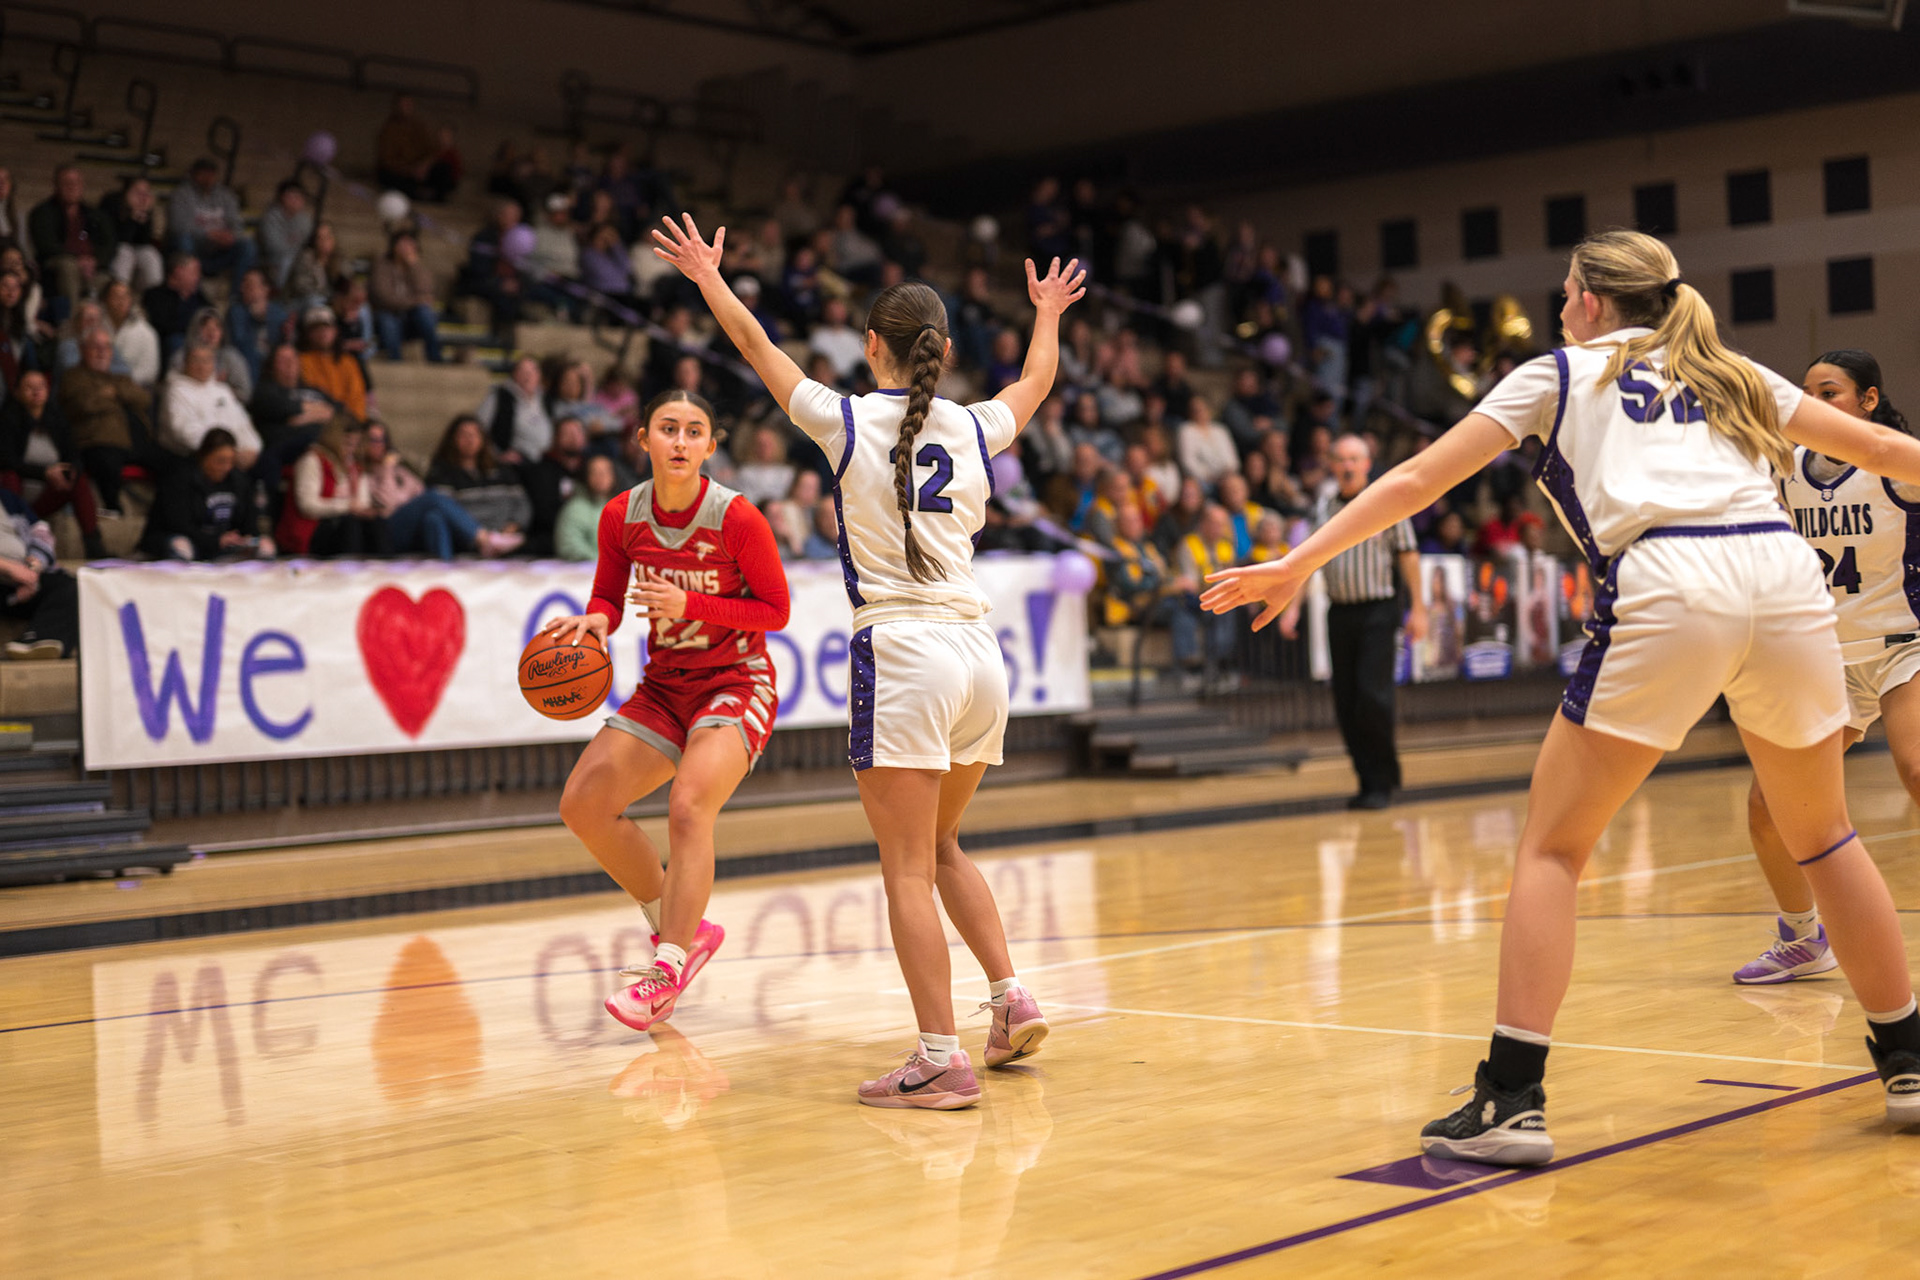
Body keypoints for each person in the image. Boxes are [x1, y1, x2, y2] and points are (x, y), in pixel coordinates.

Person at [1203, 229, 1920, 1163]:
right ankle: (1908, 1058)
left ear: (1589, 299)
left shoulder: (1557, 372)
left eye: (1566, 287)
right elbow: (1883, 447)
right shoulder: (1729, 367)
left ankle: (1511, 1099)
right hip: (1784, 578)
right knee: (1823, 836)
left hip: (1671, 575)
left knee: (1552, 847)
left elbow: (1418, 479)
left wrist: (1299, 561)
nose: (1559, 302)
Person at [652, 212, 1082, 1109]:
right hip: (979, 655)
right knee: (942, 844)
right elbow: (1037, 380)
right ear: (945, 351)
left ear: (870, 347)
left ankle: (941, 1058)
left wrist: (707, 277)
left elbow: (754, 344)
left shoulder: (843, 418)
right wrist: (1047, 313)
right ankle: (1010, 1000)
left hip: (904, 651)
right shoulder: (975, 426)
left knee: (907, 869)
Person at [547, 388, 791, 1032]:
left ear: (710, 446)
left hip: (736, 682)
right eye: (668, 428)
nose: (680, 441)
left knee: (687, 807)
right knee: (582, 805)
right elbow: (607, 595)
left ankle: (666, 969)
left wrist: (692, 605)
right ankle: (682, 926)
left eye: (693, 431)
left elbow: (776, 611)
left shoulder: (736, 517)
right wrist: (596, 623)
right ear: (644, 439)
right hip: (664, 686)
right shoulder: (621, 515)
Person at [1737, 350, 1920, 985]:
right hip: (1828, 657)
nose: (1814, 404)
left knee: (1917, 769)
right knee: (1768, 805)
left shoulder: (1896, 459)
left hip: (1904, 646)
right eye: (1808, 393)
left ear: (1868, 400)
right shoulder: (1785, 467)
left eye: (1830, 392)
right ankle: (1803, 939)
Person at [1275, 433, 1425, 809]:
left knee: (1373, 696)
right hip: (1339, 612)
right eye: (1340, 459)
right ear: (1331, 465)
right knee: (1346, 702)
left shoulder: (1387, 500)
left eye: (1354, 459)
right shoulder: (1324, 507)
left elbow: (1408, 555)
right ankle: (1365, 779)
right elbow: (1307, 561)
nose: (1347, 466)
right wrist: (1292, 608)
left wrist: (1419, 608)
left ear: (1366, 464)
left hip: (1378, 611)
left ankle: (1383, 778)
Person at [363, 419, 517, 559]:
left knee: (434, 517)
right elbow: (388, 503)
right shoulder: (365, 473)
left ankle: (445, 569)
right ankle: (483, 539)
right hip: (387, 528)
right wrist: (387, 469)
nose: (379, 444)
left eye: (383, 439)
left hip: (414, 526)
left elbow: (419, 493)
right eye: (373, 440)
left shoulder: (401, 470)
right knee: (433, 497)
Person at [0, 369, 103, 558]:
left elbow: (74, 454)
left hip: (47, 493)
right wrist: (45, 473)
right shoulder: (8, 419)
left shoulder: (57, 418)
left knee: (79, 480)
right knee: (9, 477)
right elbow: (7, 461)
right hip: (16, 497)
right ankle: (17, 542)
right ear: (17, 392)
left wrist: (69, 471)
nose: (36, 392)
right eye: (29, 387)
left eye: (41, 386)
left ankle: (94, 547)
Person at [60, 327, 157, 513]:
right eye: (95, 347)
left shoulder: (119, 379)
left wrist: (114, 392)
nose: (102, 352)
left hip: (134, 441)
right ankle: (114, 510)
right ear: (82, 349)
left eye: (106, 347)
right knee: (107, 460)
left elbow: (144, 399)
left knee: (174, 462)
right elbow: (84, 405)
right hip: (96, 441)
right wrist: (120, 399)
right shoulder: (73, 377)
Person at [138, 428, 272, 561]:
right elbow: (178, 525)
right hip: (187, 540)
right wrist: (215, 540)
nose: (226, 467)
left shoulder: (239, 481)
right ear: (204, 456)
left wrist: (246, 538)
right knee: (181, 546)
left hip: (223, 545)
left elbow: (249, 522)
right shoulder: (180, 478)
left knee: (265, 545)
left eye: (231, 461)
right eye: (220, 461)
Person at [278, 414, 381, 557]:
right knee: (349, 524)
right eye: (347, 443)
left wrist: (361, 508)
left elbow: (362, 502)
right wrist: (346, 506)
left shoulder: (354, 466)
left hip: (342, 525)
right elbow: (307, 506)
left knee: (377, 523)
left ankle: (384, 564)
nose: (351, 450)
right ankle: (349, 565)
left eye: (355, 444)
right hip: (314, 528)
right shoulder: (312, 461)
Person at [426, 413, 532, 538]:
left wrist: (512, 527)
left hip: (506, 536)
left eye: (474, 435)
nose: (470, 440)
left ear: (483, 439)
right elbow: (444, 510)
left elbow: (522, 504)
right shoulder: (441, 474)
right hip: (466, 538)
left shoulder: (503, 471)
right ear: (452, 439)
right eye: (463, 435)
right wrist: (478, 535)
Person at [0, 486, 76, 659]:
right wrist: (8, 568)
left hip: (21, 579)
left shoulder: (7, 498)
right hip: (7, 577)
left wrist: (32, 569)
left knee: (67, 585)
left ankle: (37, 641)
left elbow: (42, 534)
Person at [163, 343, 263, 467]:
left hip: (232, 455)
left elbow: (242, 424)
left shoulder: (223, 390)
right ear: (186, 363)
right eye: (196, 360)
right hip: (192, 457)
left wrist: (251, 448)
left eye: (207, 360)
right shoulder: (175, 391)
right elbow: (183, 431)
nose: (201, 366)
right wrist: (225, 452)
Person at [27, 165, 113, 306]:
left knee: (110, 282)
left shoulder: (94, 214)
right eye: (67, 183)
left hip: (92, 266)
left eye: (76, 183)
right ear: (56, 186)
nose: (72, 187)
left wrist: (95, 260)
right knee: (69, 267)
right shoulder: (43, 213)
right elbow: (46, 245)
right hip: (58, 261)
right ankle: (73, 316)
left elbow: (108, 243)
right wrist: (78, 259)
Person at [168, 159, 256, 285]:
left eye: (211, 174)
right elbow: (178, 226)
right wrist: (208, 234)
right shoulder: (181, 194)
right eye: (203, 174)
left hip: (219, 249)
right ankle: (191, 287)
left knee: (247, 245)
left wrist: (230, 236)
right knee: (183, 240)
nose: (208, 178)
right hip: (195, 247)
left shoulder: (226, 195)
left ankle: (237, 293)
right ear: (194, 175)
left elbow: (237, 224)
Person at [369, 232, 444, 362]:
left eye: (410, 244)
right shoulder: (382, 265)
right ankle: (395, 361)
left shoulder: (417, 266)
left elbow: (426, 291)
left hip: (411, 318)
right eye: (403, 243)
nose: (406, 248)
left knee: (425, 313)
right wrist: (414, 301)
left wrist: (414, 265)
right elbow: (384, 297)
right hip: (389, 313)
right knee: (388, 321)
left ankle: (435, 357)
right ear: (394, 246)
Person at [523, 415, 587, 556]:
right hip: (549, 537)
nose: (573, 438)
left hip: (587, 534)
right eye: (567, 433)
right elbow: (542, 513)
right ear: (555, 438)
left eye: (577, 432)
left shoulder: (590, 468)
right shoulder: (541, 471)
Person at [296, 308, 368, 424]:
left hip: (348, 422)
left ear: (335, 331)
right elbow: (311, 396)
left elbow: (357, 398)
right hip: (318, 422)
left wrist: (353, 422)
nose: (322, 332)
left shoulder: (348, 362)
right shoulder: (300, 361)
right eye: (316, 329)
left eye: (326, 327)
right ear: (307, 334)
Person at [479, 355, 552, 466]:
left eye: (532, 372)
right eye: (523, 372)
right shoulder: (499, 397)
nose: (528, 376)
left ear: (539, 375)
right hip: (514, 464)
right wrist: (496, 455)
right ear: (514, 374)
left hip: (544, 462)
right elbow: (480, 429)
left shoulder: (545, 399)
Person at [99, 177, 164, 294]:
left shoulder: (145, 209)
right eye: (138, 192)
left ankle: (153, 296)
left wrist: (142, 216)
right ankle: (119, 293)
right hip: (114, 249)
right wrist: (131, 218)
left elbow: (144, 241)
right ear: (126, 193)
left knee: (151, 254)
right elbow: (118, 238)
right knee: (125, 253)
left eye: (146, 193)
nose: (142, 197)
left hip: (135, 249)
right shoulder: (111, 204)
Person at [225, 271, 288, 390]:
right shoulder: (236, 312)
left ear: (265, 289)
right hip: (248, 363)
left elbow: (283, 343)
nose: (242, 289)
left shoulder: (279, 314)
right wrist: (255, 320)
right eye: (243, 285)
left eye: (249, 285)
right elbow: (239, 342)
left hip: (272, 363)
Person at [143, 254, 208, 361]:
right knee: (176, 341)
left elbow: (211, 315)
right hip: (170, 344)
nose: (198, 277)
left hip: (197, 340)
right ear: (178, 272)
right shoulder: (155, 295)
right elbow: (164, 326)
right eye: (194, 272)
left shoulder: (198, 297)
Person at [555, 453, 617, 561]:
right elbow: (570, 546)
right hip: (584, 568)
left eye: (605, 472)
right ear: (587, 476)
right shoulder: (574, 509)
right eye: (595, 472)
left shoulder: (620, 508)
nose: (601, 477)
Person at [101, 279, 160, 389]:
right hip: (96, 385)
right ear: (105, 300)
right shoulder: (96, 326)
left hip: (131, 388)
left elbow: (149, 371)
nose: (121, 301)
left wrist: (120, 384)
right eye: (116, 296)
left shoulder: (146, 332)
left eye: (125, 297)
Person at [255, 181, 313, 290]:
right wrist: (291, 245)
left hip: (294, 257)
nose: (296, 201)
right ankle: (279, 292)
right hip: (268, 258)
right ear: (282, 197)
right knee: (287, 259)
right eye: (292, 197)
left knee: (307, 258)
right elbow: (272, 246)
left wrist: (290, 244)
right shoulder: (271, 217)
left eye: (299, 197)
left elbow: (302, 244)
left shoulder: (305, 220)